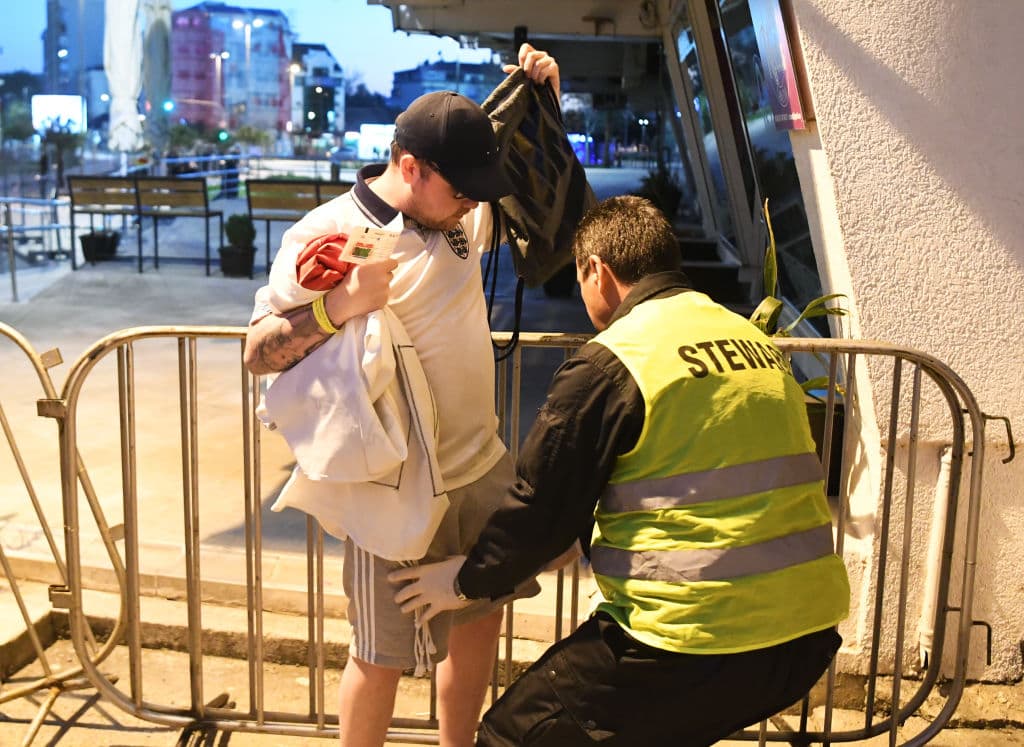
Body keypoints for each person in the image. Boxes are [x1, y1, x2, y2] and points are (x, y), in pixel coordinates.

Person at [390, 195, 851, 746]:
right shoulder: (753, 342)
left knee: (510, 735)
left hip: (688, 642)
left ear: (598, 273)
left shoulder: (613, 361)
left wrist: (464, 581)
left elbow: (540, 508)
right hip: (804, 639)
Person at [243, 44, 562, 747]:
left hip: (479, 467)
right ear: (410, 167)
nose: (475, 202)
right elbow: (257, 351)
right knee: (382, 652)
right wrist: (339, 306)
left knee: (479, 619)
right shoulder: (326, 232)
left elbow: (528, 184)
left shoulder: (456, 219)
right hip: (391, 483)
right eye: (462, 187)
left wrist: (543, 97)